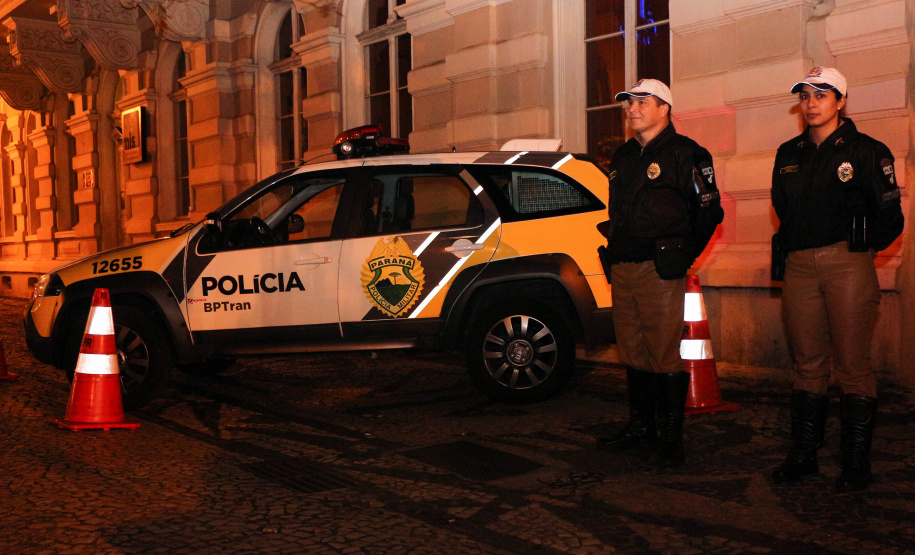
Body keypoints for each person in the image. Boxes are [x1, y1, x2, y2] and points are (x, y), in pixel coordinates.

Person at [770, 67, 904, 492]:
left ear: (841, 101)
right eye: (805, 96)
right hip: (799, 265)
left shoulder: (867, 151)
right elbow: (782, 207)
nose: (811, 103)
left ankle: (855, 462)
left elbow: (890, 216)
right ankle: (804, 455)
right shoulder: (788, 153)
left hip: (847, 263)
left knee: (852, 364)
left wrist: (859, 251)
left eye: (821, 95)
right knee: (807, 362)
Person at [597, 79, 724, 467]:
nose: (632, 109)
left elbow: (709, 212)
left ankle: (670, 438)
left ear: (664, 108)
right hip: (623, 267)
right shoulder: (622, 156)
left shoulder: (687, 153)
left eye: (642, 102)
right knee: (633, 350)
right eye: (629, 103)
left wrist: (682, 255)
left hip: (659, 268)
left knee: (663, 353)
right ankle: (641, 427)